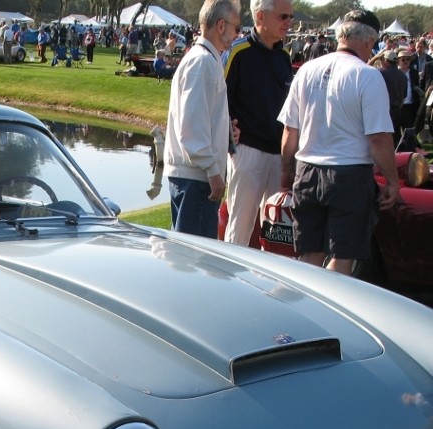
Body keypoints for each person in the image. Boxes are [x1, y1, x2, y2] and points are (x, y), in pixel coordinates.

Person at [277, 8, 399, 274]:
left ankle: (306, 308)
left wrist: (286, 170)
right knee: (342, 256)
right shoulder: (367, 75)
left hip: (307, 169)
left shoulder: (307, 70)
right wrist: (391, 179)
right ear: (369, 41)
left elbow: (290, 130)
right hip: (348, 172)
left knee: (310, 254)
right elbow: (378, 138)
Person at [163, 0, 242, 238]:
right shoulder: (203, 62)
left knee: (189, 257)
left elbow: (201, 115)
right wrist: (212, 170)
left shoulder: (207, 58)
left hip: (193, 174)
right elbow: (192, 126)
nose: (238, 33)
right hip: (196, 177)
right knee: (194, 261)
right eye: (236, 28)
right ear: (221, 26)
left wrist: (226, 133)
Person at [223, 0, 294, 246]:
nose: (289, 22)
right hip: (247, 151)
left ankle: (269, 283)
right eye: (283, 16)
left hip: (278, 154)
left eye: (290, 17)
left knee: (277, 233)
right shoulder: (237, 52)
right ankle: (229, 281)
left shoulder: (284, 57)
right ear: (261, 16)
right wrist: (229, 140)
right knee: (240, 224)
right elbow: (220, 99)